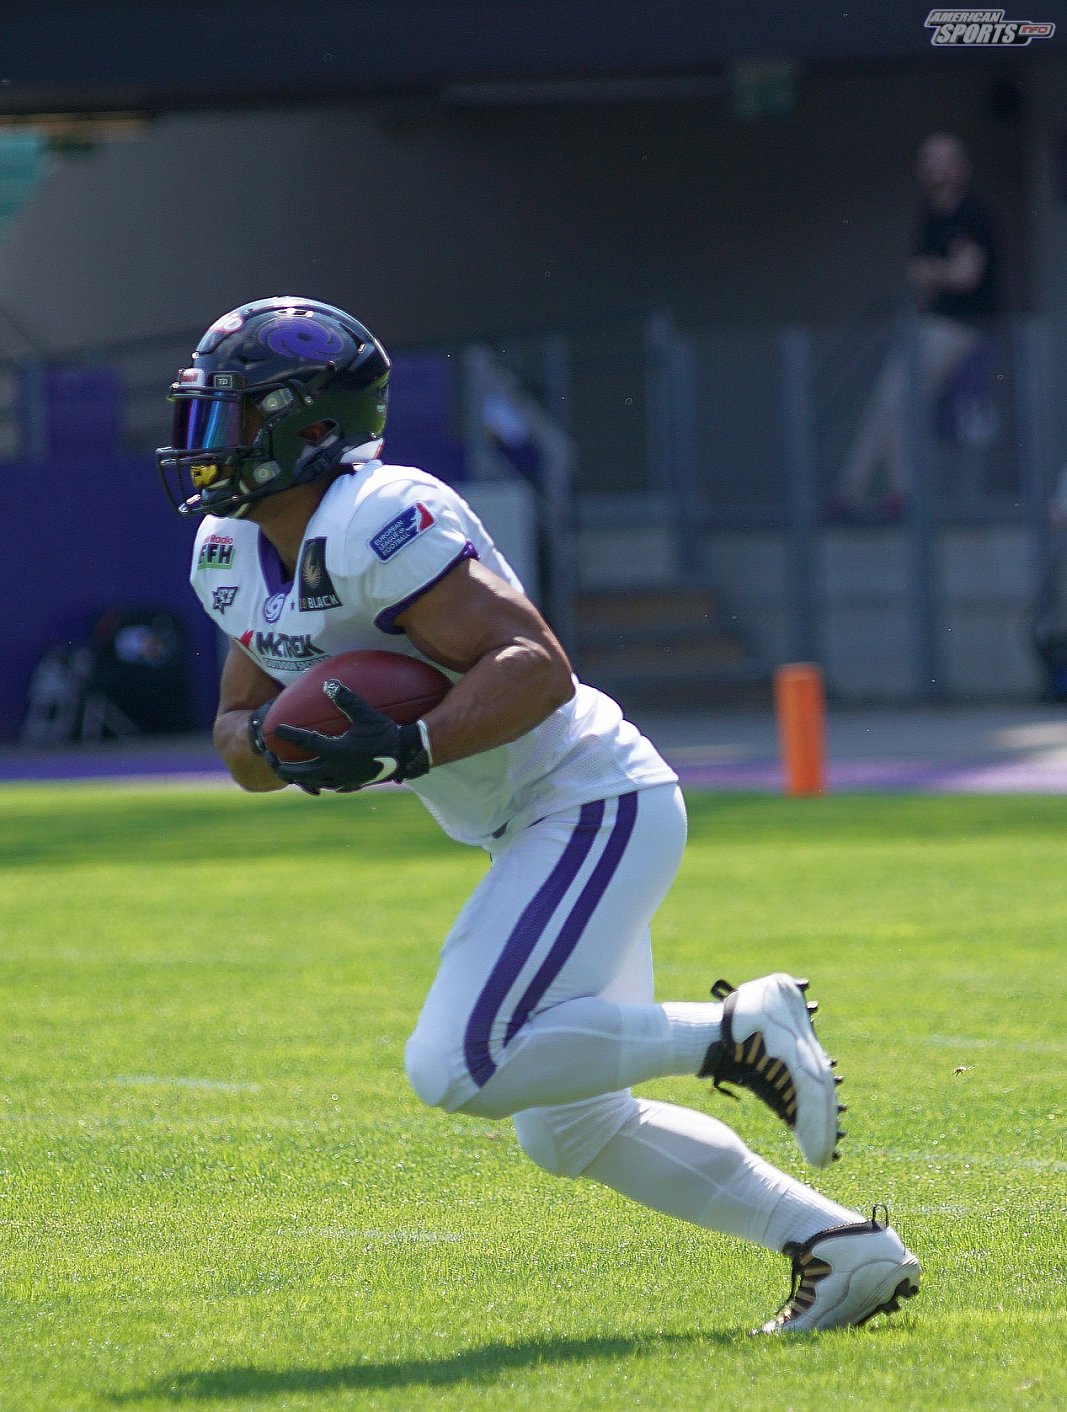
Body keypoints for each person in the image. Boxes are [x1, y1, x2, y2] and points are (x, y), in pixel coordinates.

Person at [159, 296, 921, 1333]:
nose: (205, 442)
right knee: (570, 1130)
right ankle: (839, 1247)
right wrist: (286, 747)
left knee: (458, 1063)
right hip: (531, 823)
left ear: (310, 426)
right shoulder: (231, 548)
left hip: (586, 797)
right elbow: (237, 731)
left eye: (231, 415)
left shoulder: (377, 516)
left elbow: (534, 666)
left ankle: (735, 1032)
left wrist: (410, 745)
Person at [833, 132, 1000, 520]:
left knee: (895, 396)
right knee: (891, 398)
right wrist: (941, 271)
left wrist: (935, 272)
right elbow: (919, 274)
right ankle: (884, 491)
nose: (935, 169)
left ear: (961, 166)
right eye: (929, 161)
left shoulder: (973, 211)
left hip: (964, 326)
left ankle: (867, 490)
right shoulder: (930, 213)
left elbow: (965, 276)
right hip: (933, 323)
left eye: (943, 160)